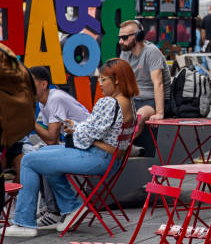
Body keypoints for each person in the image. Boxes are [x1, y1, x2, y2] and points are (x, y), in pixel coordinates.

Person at [6, 58, 138, 237]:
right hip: (108, 159)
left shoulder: (108, 102)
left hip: (97, 158)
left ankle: (24, 223)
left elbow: (85, 138)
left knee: (29, 160)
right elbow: (93, 130)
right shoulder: (129, 103)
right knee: (43, 155)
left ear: (116, 80)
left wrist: (74, 130)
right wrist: (77, 128)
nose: (99, 84)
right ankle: (70, 207)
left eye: (103, 79)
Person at [29, 66, 91, 229]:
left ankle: (54, 211)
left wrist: (30, 122)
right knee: (38, 153)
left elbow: (51, 139)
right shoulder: (45, 101)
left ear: (43, 84)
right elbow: (52, 140)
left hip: (88, 147)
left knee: (44, 156)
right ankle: (49, 208)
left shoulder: (54, 99)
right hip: (77, 143)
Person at [119, 19, 172, 139]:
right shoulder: (125, 53)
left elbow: (158, 84)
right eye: (120, 37)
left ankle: (123, 150)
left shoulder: (151, 52)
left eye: (125, 37)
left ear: (138, 36)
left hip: (153, 99)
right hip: (136, 99)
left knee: (139, 116)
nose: (120, 41)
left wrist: (159, 113)